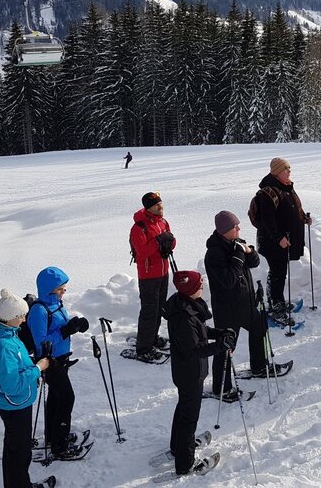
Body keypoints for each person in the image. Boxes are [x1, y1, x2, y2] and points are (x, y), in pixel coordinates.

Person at [0, 289, 55, 488]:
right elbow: (11, 384)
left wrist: (31, 363)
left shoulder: (5, 331)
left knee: (15, 447)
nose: (24, 320)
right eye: (21, 316)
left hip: (15, 401)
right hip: (15, 403)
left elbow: (15, 365)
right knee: (20, 451)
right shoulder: (4, 344)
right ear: (10, 317)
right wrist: (37, 369)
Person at [162, 271, 234, 476]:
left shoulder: (187, 307)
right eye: (200, 285)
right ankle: (185, 464)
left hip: (189, 372)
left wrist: (219, 333)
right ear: (190, 289)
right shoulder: (183, 318)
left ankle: (178, 447)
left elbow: (200, 332)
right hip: (189, 372)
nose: (203, 288)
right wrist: (220, 346)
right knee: (189, 417)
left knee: (184, 408)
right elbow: (193, 351)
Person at [204, 211, 269, 402]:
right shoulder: (214, 253)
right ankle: (221, 389)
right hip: (228, 309)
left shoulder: (237, 243)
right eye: (235, 227)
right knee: (225, 346)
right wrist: (240, 255)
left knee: (260, 327)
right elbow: (229, 280)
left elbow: (254, 263)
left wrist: (249, 251)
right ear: (225, 231)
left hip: (246, 303)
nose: (239, 229)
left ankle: (258, 367)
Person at [27, 267, 89, 459]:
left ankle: (54, 437)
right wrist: (66, 331)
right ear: (49, 289)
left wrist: (77, 324)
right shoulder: (39, 310)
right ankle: (59, 446)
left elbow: (62, 326)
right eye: (60, 289)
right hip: (49, 362)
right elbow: (41, 342)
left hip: (61, 359)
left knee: (55, 398)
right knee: (66, 399)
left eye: (64, 288)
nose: (63, 292)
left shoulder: (57, 304)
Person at [253, 158, 311, 322]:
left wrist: (303, 218)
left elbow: (292, 208)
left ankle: (277, 301)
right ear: (277, 172)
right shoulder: (269, 192)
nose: (289, 172)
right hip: (273, 242)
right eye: (286, 169)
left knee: (280, 272)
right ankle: (275, 306)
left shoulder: (286, 188)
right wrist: (279, 238)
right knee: (277, 272)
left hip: (284, 240)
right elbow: (267, 220)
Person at [130, 191, 176, 363]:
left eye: (161, 203)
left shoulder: (162, 222)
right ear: (149, 207)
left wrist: (168, 241)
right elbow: (142, 253)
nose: (161, 207)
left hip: (163, 272)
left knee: (158, 309)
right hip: (148, 276)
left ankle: (152, 338)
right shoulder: (139, 227)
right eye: (157, 205)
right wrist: (159, 241)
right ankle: (144, 348)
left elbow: (171, 241)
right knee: (149, 312)